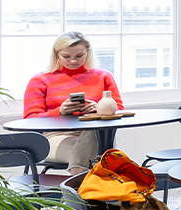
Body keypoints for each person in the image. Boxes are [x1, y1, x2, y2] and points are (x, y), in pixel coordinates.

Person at [22, 31, 123, 171]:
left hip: (98, 134)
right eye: (66, 56)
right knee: (100, 155)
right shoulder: (40, 80)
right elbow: (29, 119)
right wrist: (60, 111)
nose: (73, 61)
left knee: (95, 130)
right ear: (56, 54)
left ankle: (74, 190)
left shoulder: (103, 76)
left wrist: (100, 109)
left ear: (88, 53)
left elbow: (119, 110)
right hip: (56, 136)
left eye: (79, 56)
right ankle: (82, 188)